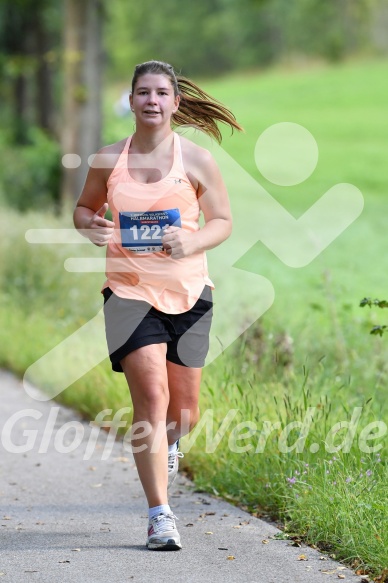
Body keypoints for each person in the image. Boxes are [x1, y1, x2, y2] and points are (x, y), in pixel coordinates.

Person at [73, 60, 243, 551]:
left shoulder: (196, 160)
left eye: (161, 93)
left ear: (175, 102)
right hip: (128, 291)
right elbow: (84, 209)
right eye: (143, 92)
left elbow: (223, 221)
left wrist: (191, 244)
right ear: (130, 101)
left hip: (190, 292)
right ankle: (159, 515)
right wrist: (92, 226)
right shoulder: (108, 160)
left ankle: (170, 444)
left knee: (183, 413)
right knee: (150, 397)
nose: (152, 101)